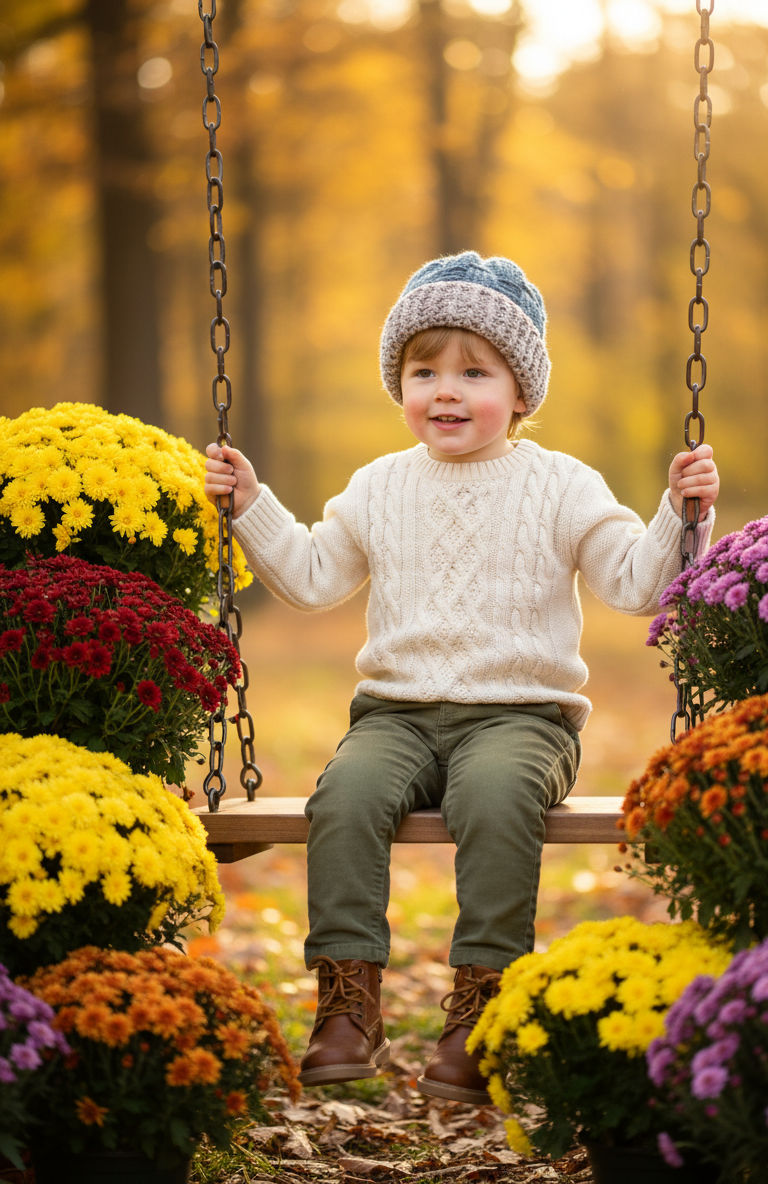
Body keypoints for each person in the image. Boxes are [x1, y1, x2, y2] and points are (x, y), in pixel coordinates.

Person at [204, 252, 720, 1104]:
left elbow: (637, 585)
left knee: (493, 798)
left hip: (522, 718)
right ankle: (346, 1004)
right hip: (395, 716)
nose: (444, 389)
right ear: (399, 386)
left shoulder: (562, 485)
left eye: (473, 371)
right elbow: (308, 577)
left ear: (520, 392)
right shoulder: (378, 485)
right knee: (345, 797)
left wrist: (679, 511)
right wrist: (253, 501)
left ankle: (484, 1007)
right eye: (423, 370)